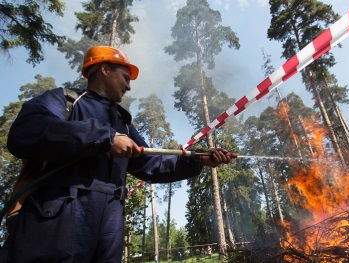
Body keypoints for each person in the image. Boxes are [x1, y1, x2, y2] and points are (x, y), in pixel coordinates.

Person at [0, 45, 236, 262]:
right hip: (56, 222)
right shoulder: (65, 100)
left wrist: (198, 159)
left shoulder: (122, 123)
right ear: (104, 69)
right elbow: (25, 132)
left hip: (109, 228)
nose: (129, 86)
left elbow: (151, 164)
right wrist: (103, 138)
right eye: (125, 77)